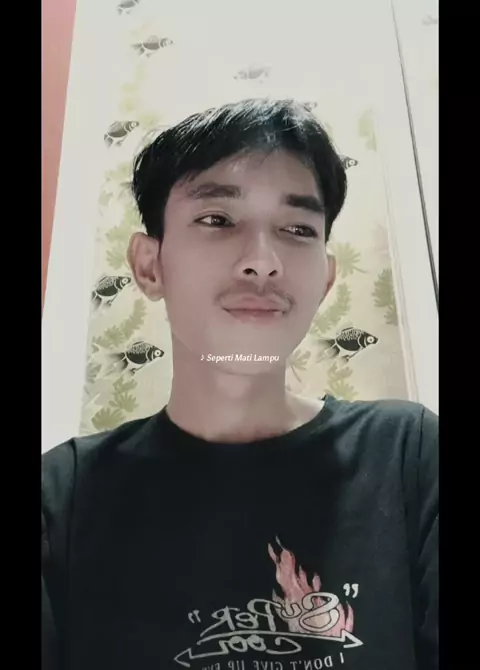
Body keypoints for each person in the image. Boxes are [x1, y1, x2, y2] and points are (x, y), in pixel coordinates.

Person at [42, 98, 438, 670]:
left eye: (297, 228)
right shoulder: (62, 498)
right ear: (149, 265)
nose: (263, 261)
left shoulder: (410, 456)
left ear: (325, 279)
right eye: (218, 220)